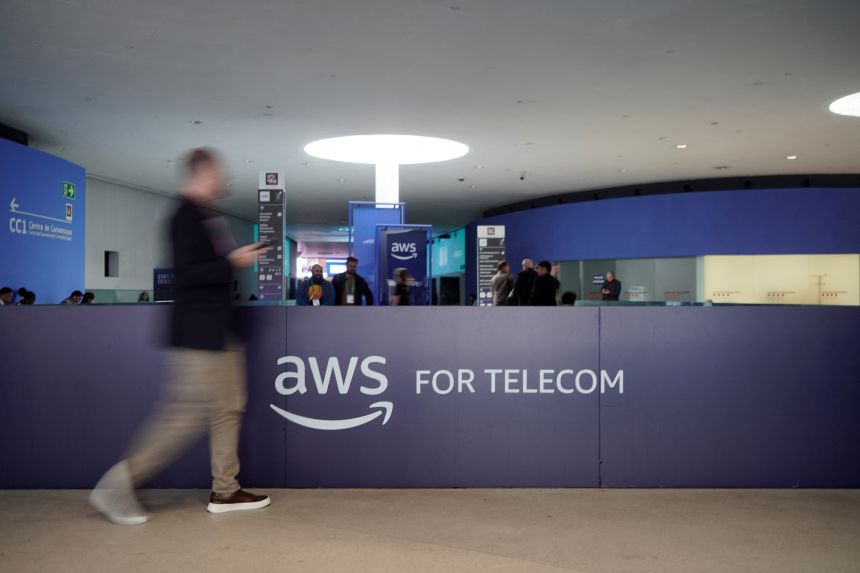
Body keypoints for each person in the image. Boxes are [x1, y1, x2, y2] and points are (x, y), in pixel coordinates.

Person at [90, 147, 270, 526]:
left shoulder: (206, 215)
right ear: (203, 172)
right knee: (186, 414)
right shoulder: (183, 217)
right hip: (199, 332)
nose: (225, 178)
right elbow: (188, 274)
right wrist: (233, 261)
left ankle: (226, 490)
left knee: (228, 407)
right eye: (219, 172)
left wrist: (231, 262)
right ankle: (117, 486)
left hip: (220, 331)